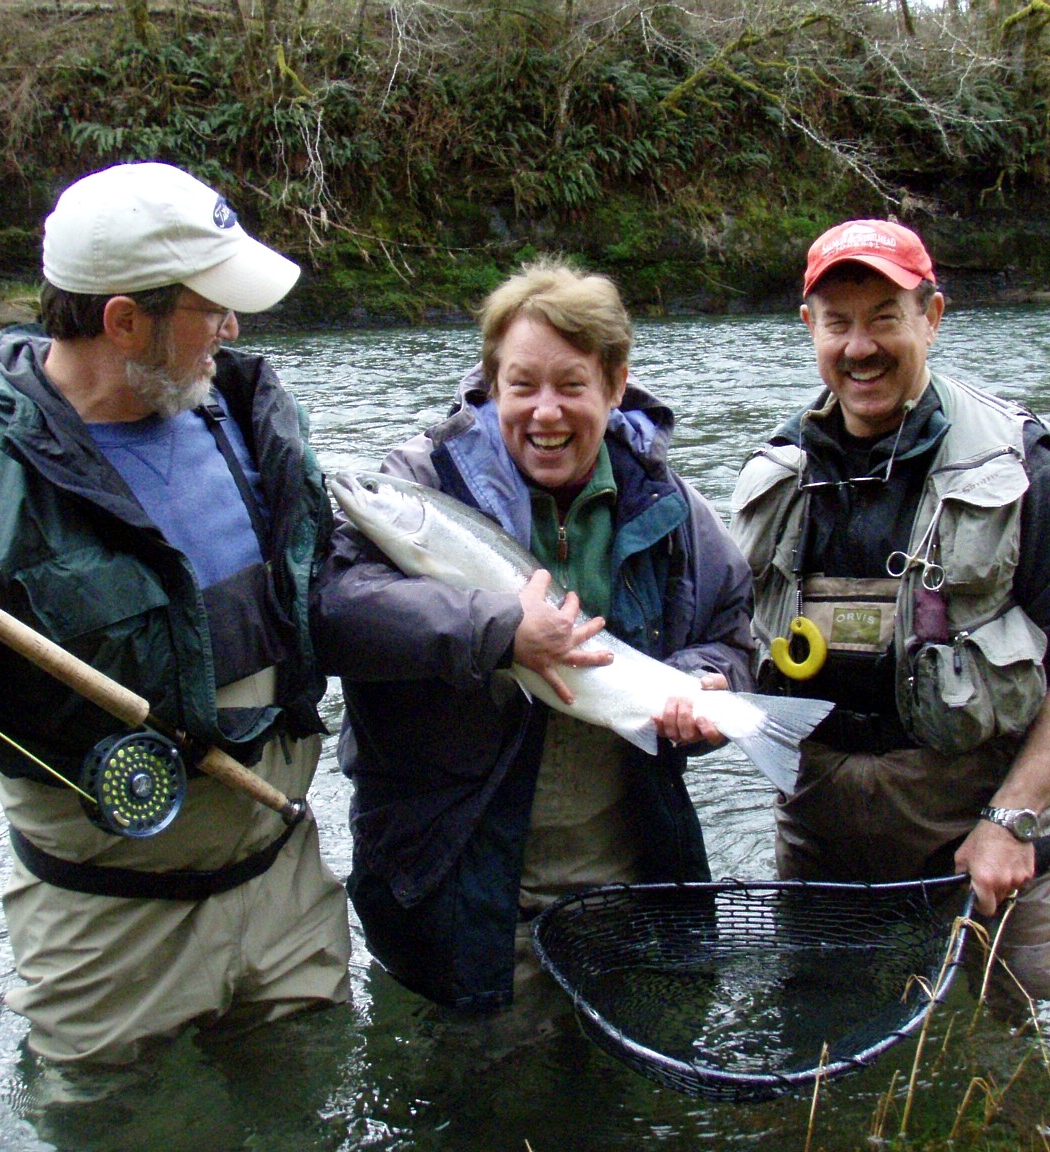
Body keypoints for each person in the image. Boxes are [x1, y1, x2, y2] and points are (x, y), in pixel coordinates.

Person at [0, 161, 351, 1063]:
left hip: (288, 899)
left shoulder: (253, 414)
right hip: (108, 947)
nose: (233, 327)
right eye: (211, 306)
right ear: (123, 320)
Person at [314, 257, 757, 1011]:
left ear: (616, 386)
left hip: (625, 890)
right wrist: (499, 628)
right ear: (492, 383)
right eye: (521, 386)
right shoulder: (418, 480)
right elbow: (336, 611)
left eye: (571, 386)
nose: (544, 412)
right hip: (463, 889)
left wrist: (710, 686)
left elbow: (732, 637)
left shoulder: (672, 506)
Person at [729, 219, 1050, 994]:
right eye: (839, 322)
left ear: (932, 318)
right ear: (809, 329)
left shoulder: (1019, 469)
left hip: (978, 832)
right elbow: (721, 635)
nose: (861, 346)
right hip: (819, 839)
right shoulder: (775, 476)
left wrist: (1011, 822)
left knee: (1032, 1042)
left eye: (886, 317)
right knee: (817, 1052)